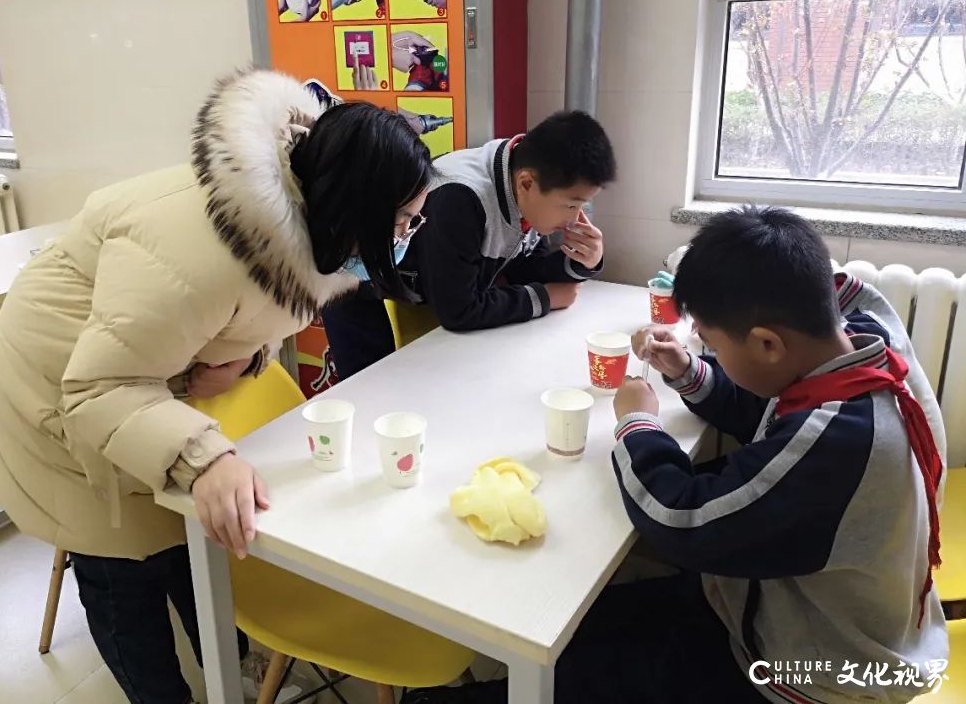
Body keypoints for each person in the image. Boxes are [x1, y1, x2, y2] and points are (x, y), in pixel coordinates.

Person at [0, 68, 435, 704]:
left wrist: (230, 372)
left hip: (139, 375)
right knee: (122, 566)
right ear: (355, 205)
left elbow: (236, 327)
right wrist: (204, 456)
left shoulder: (293, 222)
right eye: (403, 220)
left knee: (187, 547)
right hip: (58, 388)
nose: (405, 236)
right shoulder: (203, 252)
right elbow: (96, 388)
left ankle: (230, 669)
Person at [406, 206, 949, 703]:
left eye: (714, 342)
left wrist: (638, 423)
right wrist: (691, 372)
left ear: (766, 343)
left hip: (808, 673)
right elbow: (773, 410)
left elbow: (682, 518)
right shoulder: (861, 337)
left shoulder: (837, 441)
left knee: (567, 671)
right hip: (785, 602)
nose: (706, 349)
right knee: (574, 629)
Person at [321, 110, 615, 379]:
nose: (575, 217)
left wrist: (582, 262)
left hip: (424, 294)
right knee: (370, 389)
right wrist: (544, 299)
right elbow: (460, 310)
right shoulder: (461, 198)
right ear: (527, 183)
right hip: (358, 290)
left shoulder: (525, 177)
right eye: (570, 205)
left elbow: (525, 269)